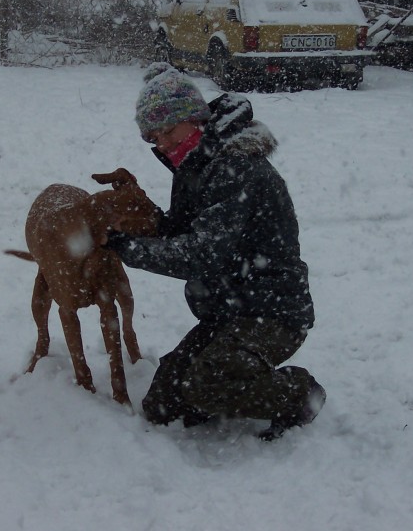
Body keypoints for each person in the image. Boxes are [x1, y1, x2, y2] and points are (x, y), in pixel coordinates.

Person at [105, 63, 325, 440]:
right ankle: (232, 381)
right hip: (229, 311)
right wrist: (139, 218)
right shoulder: (197, 164)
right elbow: (184, 229)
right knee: (162, 405)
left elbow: (202, 253)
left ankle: (300, 394)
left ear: (194, 119)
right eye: (154, 137)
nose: (163, 143)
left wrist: (128, 249)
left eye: (168, 130)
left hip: (274, 313)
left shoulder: (235, 167)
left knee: (203, 386)